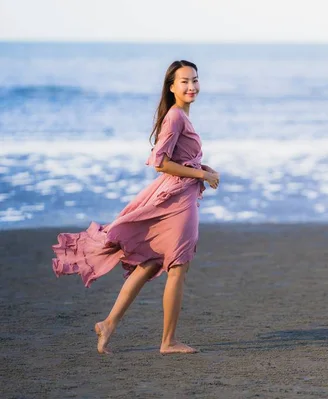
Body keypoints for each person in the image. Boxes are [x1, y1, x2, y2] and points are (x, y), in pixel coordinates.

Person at [51, 60, 219, 355]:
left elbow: (179, 160)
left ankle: (109, 323)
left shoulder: (181, 116)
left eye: (194, 80)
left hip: (179, 195)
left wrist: (202, 167)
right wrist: (202, 175)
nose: (191, 86)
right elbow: (161, 162)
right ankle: (168, 342)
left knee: (152, 262)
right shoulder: (175, 117)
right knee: (178, 266)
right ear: (171, 87)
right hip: (176, 201)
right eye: (184, 81)